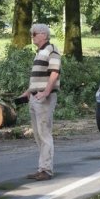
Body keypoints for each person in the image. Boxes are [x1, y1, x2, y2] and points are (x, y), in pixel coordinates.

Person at [19, 23, 61, 181]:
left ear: (44, 34)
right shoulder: (40, 52)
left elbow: (54, 72)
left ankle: (46, 170)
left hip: (44, 98)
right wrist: (28, 91)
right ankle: (42, 168)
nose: (32, 36)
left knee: (44, 133)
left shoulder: (52, 49)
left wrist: (46, 92)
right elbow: (38, 78)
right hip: (35, 96)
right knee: (38, 134)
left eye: (35, 33)